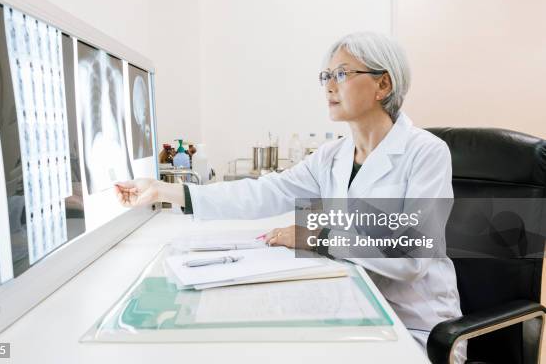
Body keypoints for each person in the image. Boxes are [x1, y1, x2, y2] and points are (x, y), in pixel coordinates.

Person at [115, 31, 466, 363]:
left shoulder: (426, 153)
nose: (328, 86)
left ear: (383, 84)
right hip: (356, 308)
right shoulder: (333, 156)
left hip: (416, 326)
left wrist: (318, 236)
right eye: (325, 76)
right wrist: (168, 190)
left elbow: (411, 256)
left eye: (342, 74)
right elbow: (266, 190)